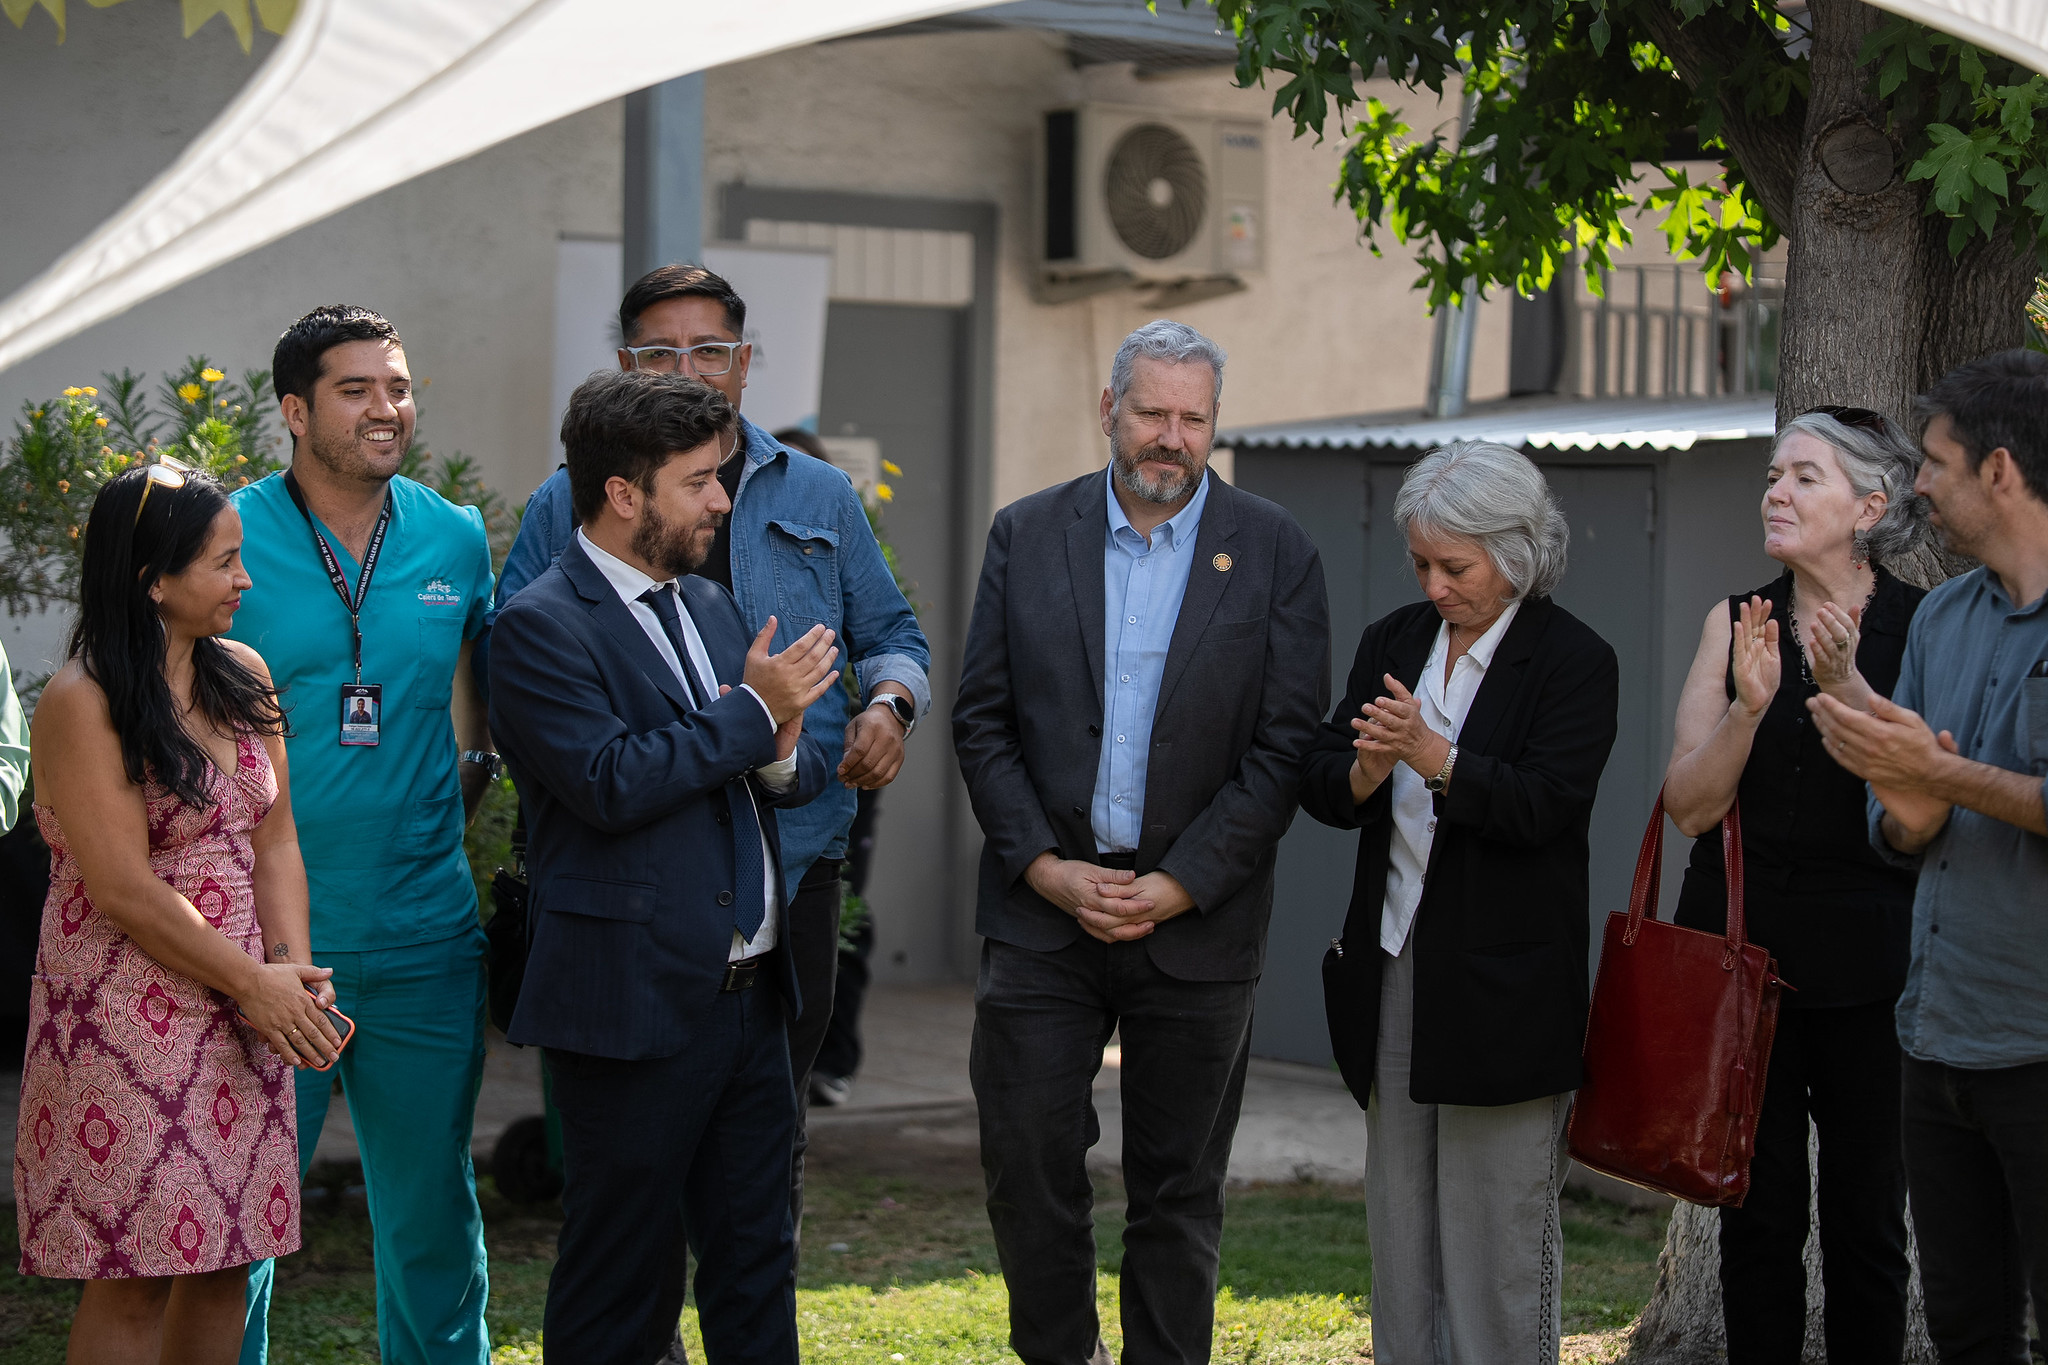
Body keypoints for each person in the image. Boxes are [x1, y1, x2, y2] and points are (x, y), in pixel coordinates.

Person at [494, 265, 928, 1221]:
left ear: (743, 361)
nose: (685, 368)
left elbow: (894, 633)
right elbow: (523, 666)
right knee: (635, 1177)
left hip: (794, 858)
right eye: (659, 350)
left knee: (764, 1153)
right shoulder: (563, 503)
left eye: (707, 349)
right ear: (624, 363)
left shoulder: (817, 492)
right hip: (634, 884)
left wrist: (888, 705)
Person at [952, 320, 1330, 1364]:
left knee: (1176, 1192)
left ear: (1214, 423)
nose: (1170, 436)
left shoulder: (1273, 550)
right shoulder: (1024, 534)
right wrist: (1040, 866)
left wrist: (1178, 884)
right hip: (1042, 918)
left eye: (1191, 417)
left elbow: (1283, 746)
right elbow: (981, 719)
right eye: (1151, 411)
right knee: (1027, 1169)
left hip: (1197, 927)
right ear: (1107, 410)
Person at [488, 369, 838, 1364]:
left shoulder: (719, 611)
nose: (723, 502)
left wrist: (778, 739)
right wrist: (749, 712)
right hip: (631, 1003)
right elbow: (605, 782)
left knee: (757, 1264)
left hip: (751, 1000)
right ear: (622, 492)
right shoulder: (537, 628)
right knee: (620, 1283)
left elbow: (789, 769)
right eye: (698, 482)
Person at [1298, 441, 1616, 1364]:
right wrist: (1362, 770)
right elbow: (1321, 776)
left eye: (1455, 566)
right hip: (1394, 965)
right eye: (1421, 562)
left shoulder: (1574, 659)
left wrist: (1436, 760)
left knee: (1496, 1243)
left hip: (1506, 993)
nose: (1434, 585)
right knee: (1399, 1228)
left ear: (1516, 553)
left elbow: (1546, 807)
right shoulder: (1395, 640)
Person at [18, 462, 342, 1363]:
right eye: (224, 562)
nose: (246, 580)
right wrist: (255, 984)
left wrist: (291, 976)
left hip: (245, 1002)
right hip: (127, 1010)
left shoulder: (242, 672)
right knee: (136, 1270)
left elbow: (275, 838)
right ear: (152, 578)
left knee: (226, 1260)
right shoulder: (81, 701)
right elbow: (120, 887)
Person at [229, 306, 498, 1364]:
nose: (386, 408)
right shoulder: (228, 533)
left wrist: (468, 779)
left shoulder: (455, 536)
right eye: (355, 389)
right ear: (294, 412)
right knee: (242, 1218)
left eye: (396, 385)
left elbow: (479, 703)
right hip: (264, 951)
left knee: (433, 1212)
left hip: (427, 938)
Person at [1662, 407, 1929, 1362]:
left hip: (1876, 967)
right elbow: (1688, 807)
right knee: (1757, 1217)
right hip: (1743, 966)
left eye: (1803, 476)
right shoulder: (1733, 621)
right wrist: (1748, 708)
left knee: (1868, 1223)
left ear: (1871, 505)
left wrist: (1846, 688)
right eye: (1774, 474)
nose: (1775, 490)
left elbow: (1927, 811)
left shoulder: (1925, 628)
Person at [1809, 350, 2048, 1365]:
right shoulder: (1943, 618)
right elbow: (1904, 829)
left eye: (1936, 464)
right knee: (1961, 1330)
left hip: (2040, 1046)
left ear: (1998, 471)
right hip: (1936, 1035)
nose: (1917, 484)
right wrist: (1896, 782)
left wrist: (1939, 779)